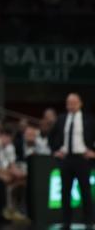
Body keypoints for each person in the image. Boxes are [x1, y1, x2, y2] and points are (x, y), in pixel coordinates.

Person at [49, 93, 95, 229]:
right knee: (65, 191)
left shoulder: (89, 119)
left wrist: (93, 152)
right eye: (69, 102)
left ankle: (89, 221)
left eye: (74, 102)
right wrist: (55, 151)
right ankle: (66, 221)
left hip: (82, 158)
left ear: (80, 103)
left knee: (85, 191)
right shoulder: (61, 119)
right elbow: (52, 137)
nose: (71, 105)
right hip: (66, 158)